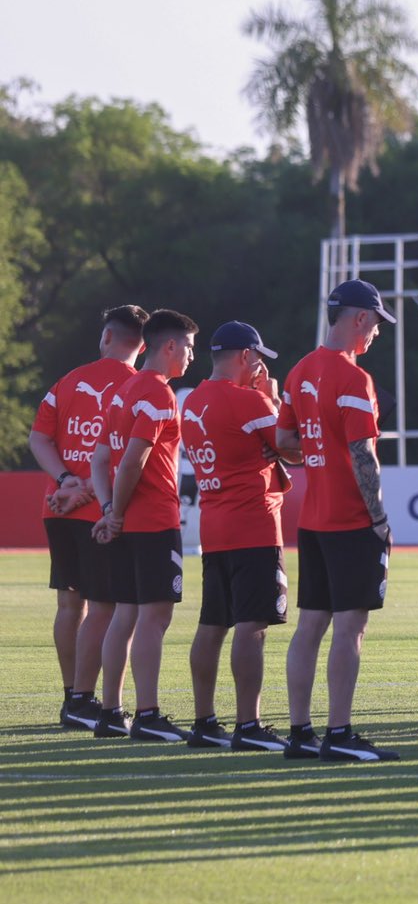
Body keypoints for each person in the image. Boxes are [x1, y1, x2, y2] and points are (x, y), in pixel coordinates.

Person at [277, 280, 401, 761]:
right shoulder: (354, 379)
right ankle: (340, 733)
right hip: (351, 520)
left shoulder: (300, 370)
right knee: (351, 628)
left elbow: (285, 438)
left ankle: (299, 733)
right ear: (359, 318)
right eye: (375, 325)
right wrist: (380, 519)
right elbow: (363, 455)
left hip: (314, 521)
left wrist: (317, 453)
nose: (376, 335)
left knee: (311, 627)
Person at [27, 303, 147, 732]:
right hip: (102, 511)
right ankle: (83, 698)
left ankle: (71, 696)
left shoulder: (69, 380)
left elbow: (38, 437)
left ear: (105, 337)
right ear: (144, 345)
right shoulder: (139, 387)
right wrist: (83, 491)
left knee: (68, 604)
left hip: (57, 504)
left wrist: (65, 481)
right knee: (106, 608)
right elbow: (125, 460)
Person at [182, 322, 295, 751]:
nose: (260, 366)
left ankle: (203, 720)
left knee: (212, 624)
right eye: (258, 358)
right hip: (254, 524)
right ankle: (249, 725)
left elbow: (271, 445)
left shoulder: (192, 401)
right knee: (253, 626)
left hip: (215, 526)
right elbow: (294, 444)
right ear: (245, 356)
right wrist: (269, 396)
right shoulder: (250, 401)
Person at [88, 308, 199, 742]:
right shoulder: (156, 393)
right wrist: (114, 509)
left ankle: (111, 712)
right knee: (154, 619)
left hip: (126, 520)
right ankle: (148, 714)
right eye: (188, 348)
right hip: (152, 519)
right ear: (169, 346)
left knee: (125, 616)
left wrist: (108, 509)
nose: (191, 357)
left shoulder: (122, 391)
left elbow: (100, 459)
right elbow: (133, 459)